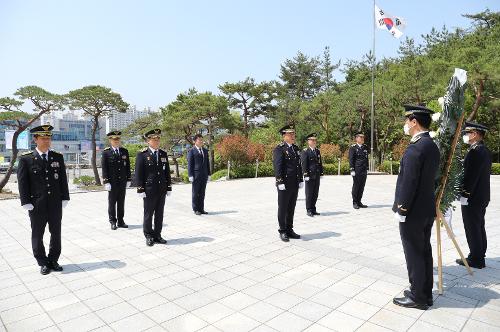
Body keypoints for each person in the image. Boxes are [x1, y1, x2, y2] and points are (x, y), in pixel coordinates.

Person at [392, 105, 440, 310]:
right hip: (426, 209)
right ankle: (425, 293)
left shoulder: (416, 148)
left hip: (412, 211)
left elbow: (409, 182)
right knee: (423, 251)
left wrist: (402, 209)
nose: (405, 124)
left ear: (414, 122)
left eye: (407, 120)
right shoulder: (431, 145)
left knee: (414, 253)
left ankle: (417, 297)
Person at [17, 125, 70, 275]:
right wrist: (25, 201)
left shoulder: (57, 157)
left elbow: (62, 180)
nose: (47, 141)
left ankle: (53, 259)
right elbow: (22, 182)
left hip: (54, 203)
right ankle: (42, 262)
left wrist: (65, 197)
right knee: (37, 234)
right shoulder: (26, 159)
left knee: (56, 232)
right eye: (43, 138)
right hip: (36, 204)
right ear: (35, 139)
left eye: (49, 138)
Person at [457, 122, 492, 269]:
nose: (466, 135)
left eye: (468, 132)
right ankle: (479, 254)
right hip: (481, 196)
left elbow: (472, 176)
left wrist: (465, 194)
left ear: (475, 134)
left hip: (473, 197)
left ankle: (476, 259)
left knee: (472, 227)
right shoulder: (484, 150)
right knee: (478, 226)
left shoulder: (475, 151)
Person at [134, 129, 172, 246]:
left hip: (161, 189)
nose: (156, 141)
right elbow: (139, 173)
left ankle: (157, 235)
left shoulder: (163, 154)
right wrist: (140, 188)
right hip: (149, 189)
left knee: (160, 213)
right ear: (148, 141)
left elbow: (166, 172)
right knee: (148, 213)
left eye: (158, 139)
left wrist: (169, 186)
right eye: (154, 139)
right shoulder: (142, 154)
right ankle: (148, 235)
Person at [273, 125, 304, 242]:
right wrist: (279, 181)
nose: (292, 136)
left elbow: (298, 166)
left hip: (294, 183)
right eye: (290, 134)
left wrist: (300, 179)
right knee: (283, 207)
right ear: (284, 136)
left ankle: (290, 229)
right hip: (284, 184)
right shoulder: (279, 149)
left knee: (291, 207)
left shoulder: (295, 148)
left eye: (293, 134)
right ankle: (282, 230)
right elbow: (277, 166)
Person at [101, 130, 131, 230]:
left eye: (118, 139)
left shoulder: (124, 151)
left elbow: (127, 167)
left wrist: (128, 179)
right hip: (112, 182)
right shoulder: (106, 153)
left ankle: (121, 221)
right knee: (112, 202)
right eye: (114, 139)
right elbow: (104, 168)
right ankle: (113, 221)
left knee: (121, 202)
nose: (116, 141)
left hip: (122, 182)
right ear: (110, 140)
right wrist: (106, 181)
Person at [300, 133, 324, 217]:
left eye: (315, 140)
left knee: (315, 193)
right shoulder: (305, 151)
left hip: (316, 175)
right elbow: (304, 164)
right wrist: (305, 174)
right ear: (308, 141)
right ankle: (309, 209)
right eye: (312, 140)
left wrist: (321, 173)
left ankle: (313, 209)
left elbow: (319, 163)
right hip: (309, 176)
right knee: (309, 193)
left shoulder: (317, 151)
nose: (314, 142)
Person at [187, 134, 211, 215]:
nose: (201, 141)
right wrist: (190, 175)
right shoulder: (192, 151)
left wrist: (209, 174)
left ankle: (201, 209)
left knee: (202, 192)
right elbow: (190, 164)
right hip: (196, 175)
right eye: (199, 140)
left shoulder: (204, 150)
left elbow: (207, 163)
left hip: (204, 175)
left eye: (202, 139)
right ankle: (195, 209)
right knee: (195, 192)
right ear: (195, 141)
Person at [349, 132, 369, 209]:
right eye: (361, 137)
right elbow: (351, 159)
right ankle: (355, 202)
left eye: (363, 137)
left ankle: (359, 201)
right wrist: (352, 169)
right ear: (356, 138)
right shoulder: (353, 148)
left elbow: (366, 158)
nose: (362, 139)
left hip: (363, 170)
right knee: (356, 186)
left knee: (362, 186)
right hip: (357, 170)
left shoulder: (365, 147)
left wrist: (367, 168)